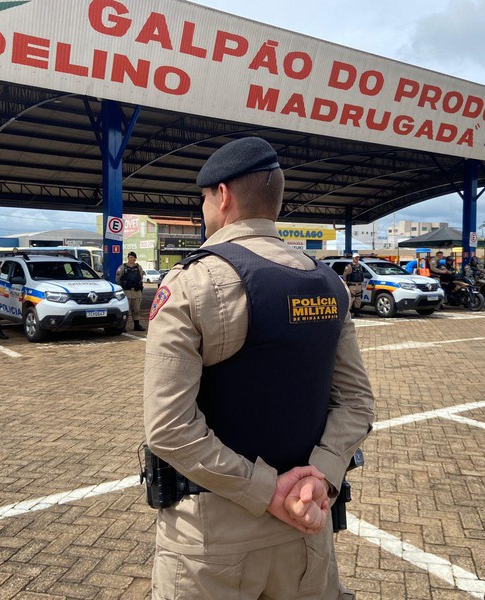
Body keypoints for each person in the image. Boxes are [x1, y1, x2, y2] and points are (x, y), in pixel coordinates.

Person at [143, 137, 375, 599]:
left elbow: (168, 427)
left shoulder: (193, 283)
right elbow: (356, 402)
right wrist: (320, 476)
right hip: (307, 527)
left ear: (222, 196)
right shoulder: (328, 283)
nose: (204, 210)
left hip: (212, 540)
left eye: (204, 199)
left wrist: (267, 491)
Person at [115, 251, 146, 331]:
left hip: (136, 292)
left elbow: (141, 277)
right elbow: (118, 279)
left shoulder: (138, 267)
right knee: (126, 310)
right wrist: (124, 286)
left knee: (136, 310)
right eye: (130, 257)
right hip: (127, 292)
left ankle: (137, 325)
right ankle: (123, 326)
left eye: (133, 257)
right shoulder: (122, 267)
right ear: (128, 258)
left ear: (136, 258)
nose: (132, 259)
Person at [342, 253, 365, 318]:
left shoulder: (360, 266)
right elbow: (345, 275)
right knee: (351, 299)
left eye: (358, 257)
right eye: (355, 257)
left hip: (359, 285)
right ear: (353, 258)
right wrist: (346, 284)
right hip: (352, 285)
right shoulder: (349, 266)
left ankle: (357, 313)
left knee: (358, 300)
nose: (357, 259)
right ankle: (348, 314)